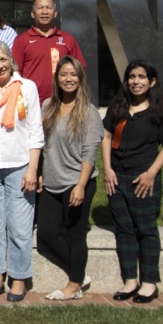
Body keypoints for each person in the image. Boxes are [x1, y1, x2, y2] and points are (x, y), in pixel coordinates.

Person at [103, 60, 163, 304]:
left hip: (143, 179)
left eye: (141, 77)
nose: (136, 81)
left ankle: (149, 283)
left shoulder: (158, 110)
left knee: (146, 230)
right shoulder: (119, 106)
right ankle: (130, 281)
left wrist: (151, 173)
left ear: (152, 81)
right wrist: (107, 169)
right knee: (124, 230)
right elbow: (106, 136)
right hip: (116, 177)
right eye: (132, 77)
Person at [0, 42, 43, 303]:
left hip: (20, 166)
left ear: (11, 60)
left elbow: (36, 131)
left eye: (3, 59)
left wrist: (33, 168)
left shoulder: (27, 88)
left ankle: (19, 278)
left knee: (20, 227)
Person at [40, 56, 104, 302]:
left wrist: (80, 185)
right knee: (46, 234)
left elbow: (90, 153)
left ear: (80, 78)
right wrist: (42, 175)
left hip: (77, 183)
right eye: (63, 74)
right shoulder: (48, 107)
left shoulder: (88, 112)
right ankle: (79, 272)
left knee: (76, 235)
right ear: (57, 78)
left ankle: (74, 285)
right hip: (51, 183)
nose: (68, 79)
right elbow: (44, 146)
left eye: (73, 74)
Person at [12, 0, 85, 102]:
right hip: (32, 101)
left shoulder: (68, 39)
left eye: (49, 8)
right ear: (32, 14)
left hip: (63, 101)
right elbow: (15, 72)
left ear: (55, 13)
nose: (45, 12)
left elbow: (80, 69)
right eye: (40, 8)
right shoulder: (21, 40)